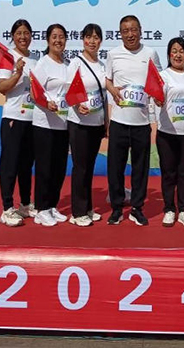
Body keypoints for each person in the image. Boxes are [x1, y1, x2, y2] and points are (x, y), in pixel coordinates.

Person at [105, 15, 161, 226]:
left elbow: (158, 81)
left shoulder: (150, 53)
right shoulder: (113, 54)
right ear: (120, 33)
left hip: (141, 122)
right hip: (119, 120)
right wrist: (112, 90)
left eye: (133, 29)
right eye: (125, 30)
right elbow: (107, 79)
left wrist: (156, 100)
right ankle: (117, 208)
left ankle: (137, 208)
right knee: (115, 167)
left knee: (140, 168)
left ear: (140, 30)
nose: (130, 34)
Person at [0, 19, 38, 227]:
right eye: (19, 33)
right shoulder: (8, 57)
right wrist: (18, 73)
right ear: (13, 36)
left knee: (26, 165)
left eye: (26, 33)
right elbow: (2, 87)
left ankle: (25, 204)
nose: (23, 37)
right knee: (10, 165)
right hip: (13, 118)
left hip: (32, 119)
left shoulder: (37, 59)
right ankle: (7, 208)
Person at [155, 37, 184, 228]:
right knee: (168, 173)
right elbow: (157, 97)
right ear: (168, 55)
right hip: (167, 132)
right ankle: (169, 209)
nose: (178, 55)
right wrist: (157, 100)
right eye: (174, 51)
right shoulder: (163, 76)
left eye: (182, 51)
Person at [67, 23, 107, 227]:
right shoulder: (75, 63)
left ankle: (88, 207)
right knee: (80, 167)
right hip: (79, 123)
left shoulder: (102, 65)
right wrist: (77, 105)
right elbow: (69, 91)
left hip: (96, 122)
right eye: (88, 37)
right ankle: (78, 212)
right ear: (82, 39)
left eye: (96, 37)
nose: (92, 41)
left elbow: (104, 95)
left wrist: (106, 122)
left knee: (89, 166)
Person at [31, 24, 70, 227]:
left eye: (61, 37)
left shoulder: (67, 64)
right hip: (44, 123)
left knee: (59, 167)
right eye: (54, 37)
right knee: (44, 167)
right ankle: (41, 208)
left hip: (63, 124)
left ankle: (52, 205)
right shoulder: (43, 63)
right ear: (47, 40)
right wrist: (46, 104)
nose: (58, 40)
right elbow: (34, 91)